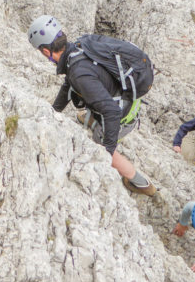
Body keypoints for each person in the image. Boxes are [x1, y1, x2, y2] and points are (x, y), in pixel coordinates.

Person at [28, 15, 156, 196]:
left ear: (46, 51)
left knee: (100, 142)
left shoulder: (78, 73)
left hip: (122, 115)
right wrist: (53, 111)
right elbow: (69, 85)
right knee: (85, 104)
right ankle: (92, 121)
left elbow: (111, 112)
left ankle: (142, 184)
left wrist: (106, 152)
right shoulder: (79, 47)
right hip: (125, 96)